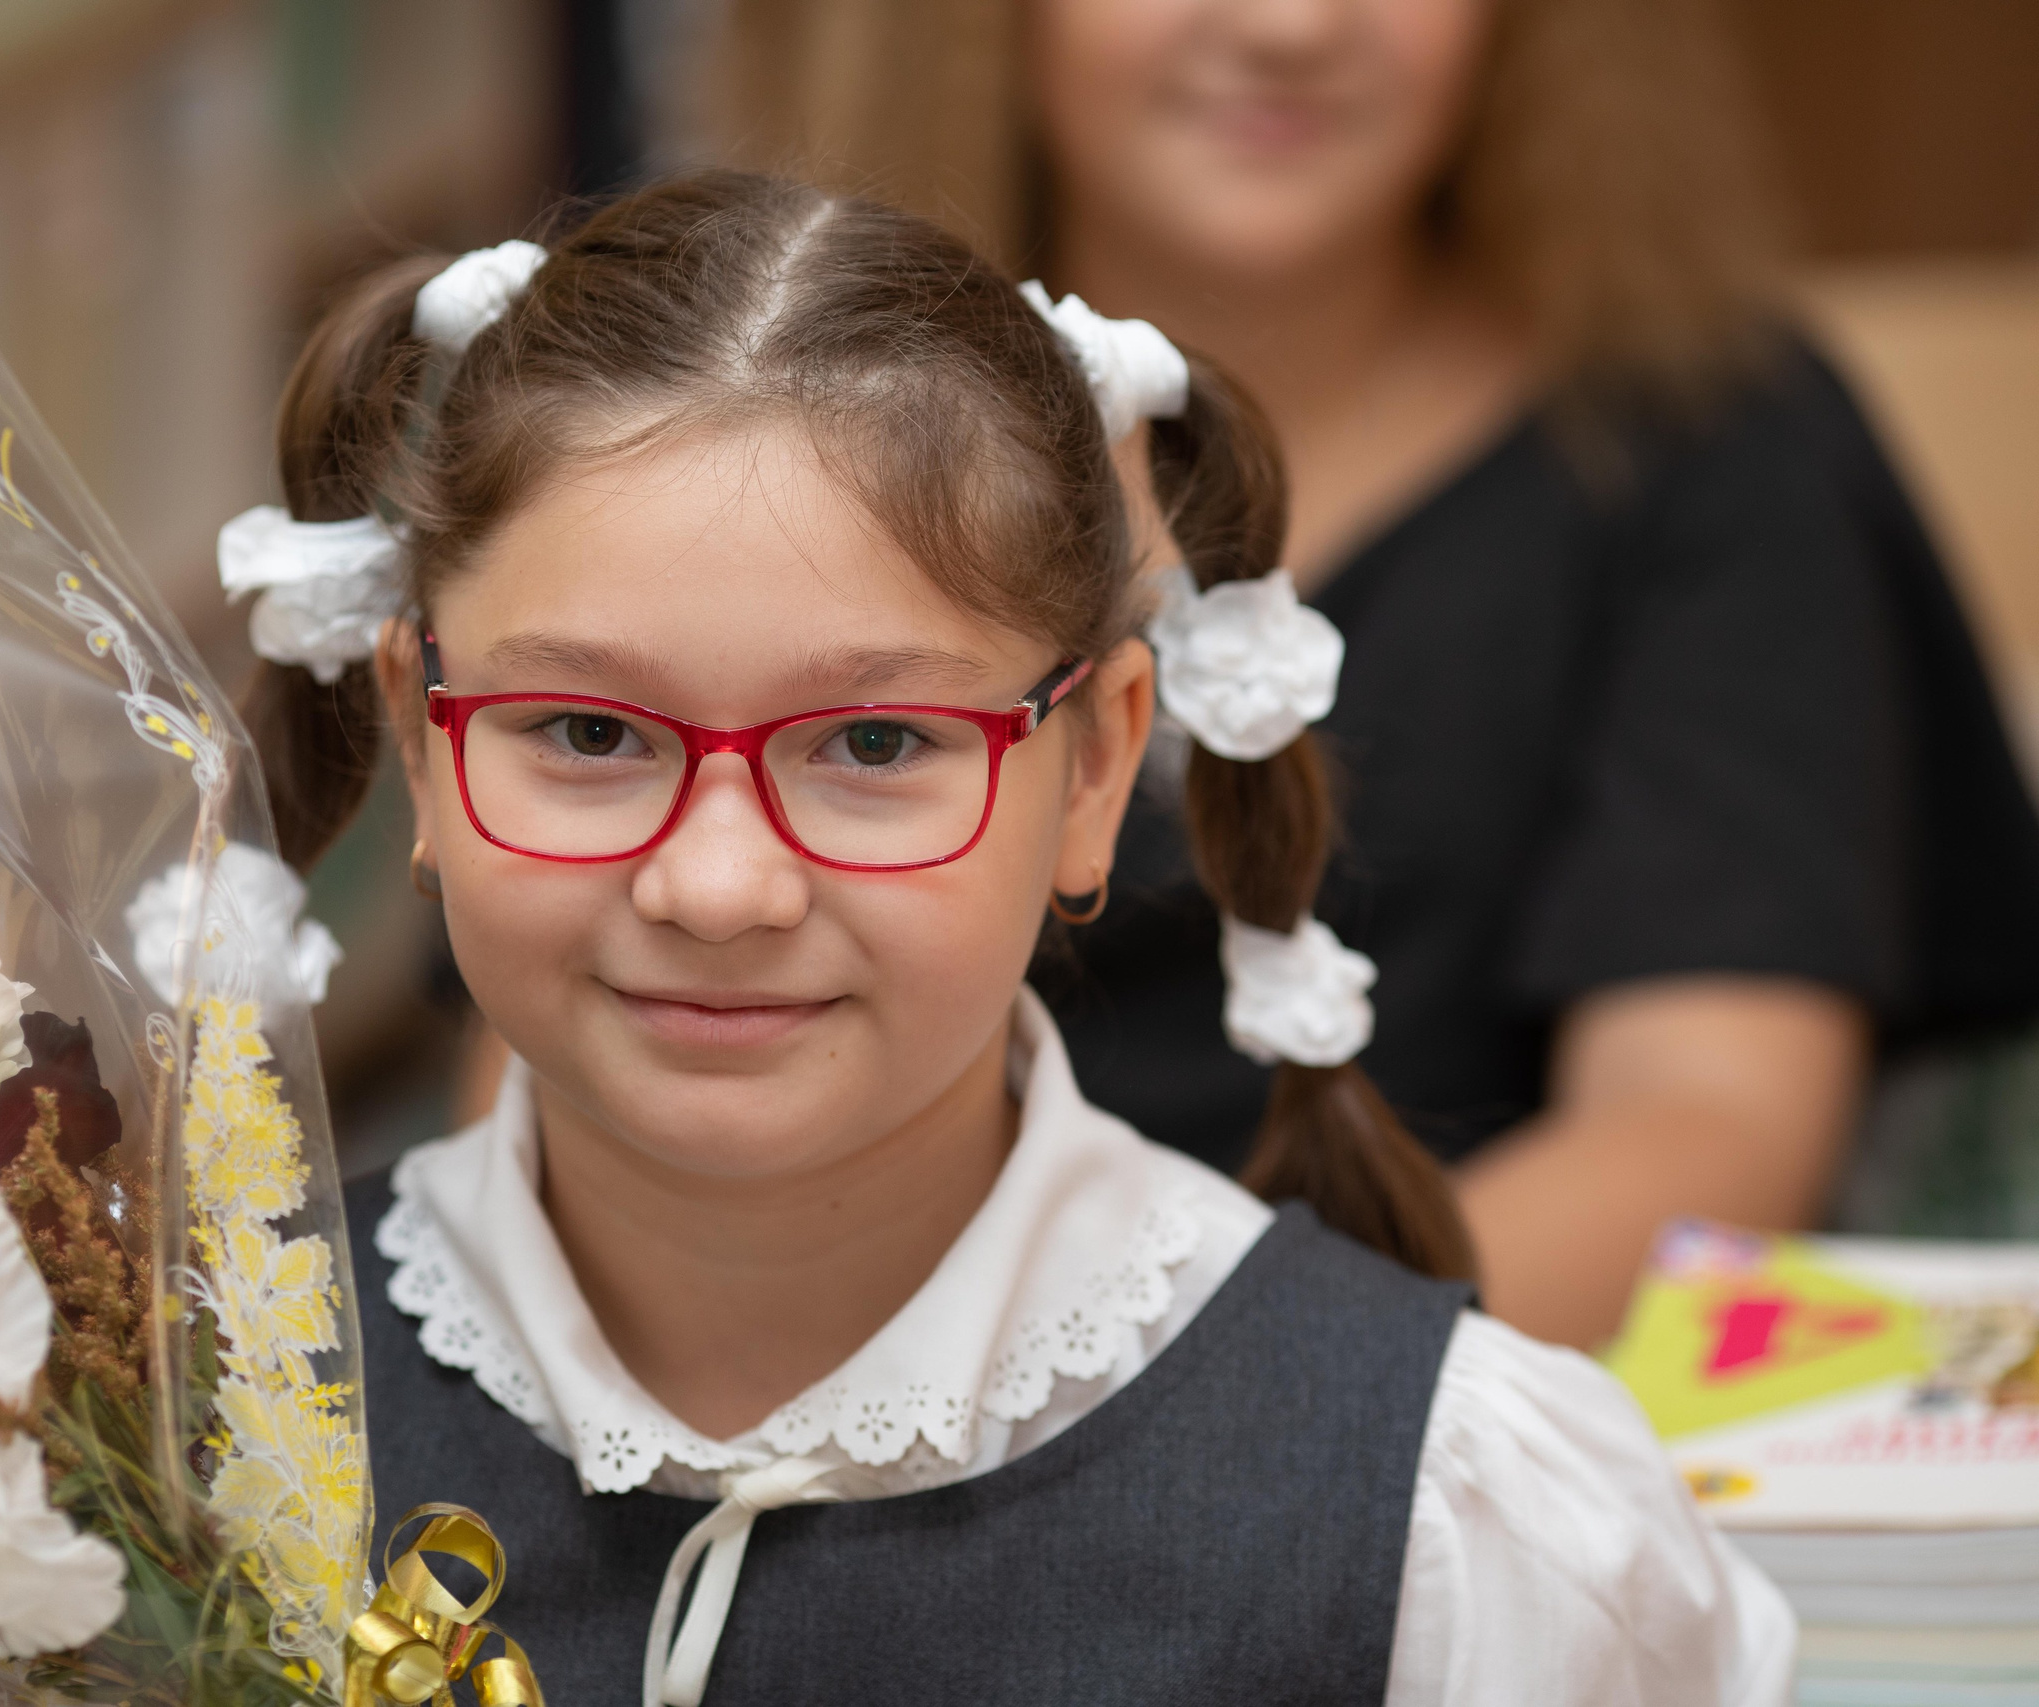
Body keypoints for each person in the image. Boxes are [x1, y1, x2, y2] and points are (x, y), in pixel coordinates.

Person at [231, 171, 1791, 1705]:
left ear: (1096, 768)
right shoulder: (188, 1405)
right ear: (418, 739)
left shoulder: (1466, 1525)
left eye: (875, 745)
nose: (717, 886)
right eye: (587, 730)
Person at [698, 0, 2039, 1346]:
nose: (1290, 26)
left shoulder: (1710, 441)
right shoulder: (728, 440)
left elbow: (1706, 1125)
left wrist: (1166, 1398)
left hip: (1435, 1388)